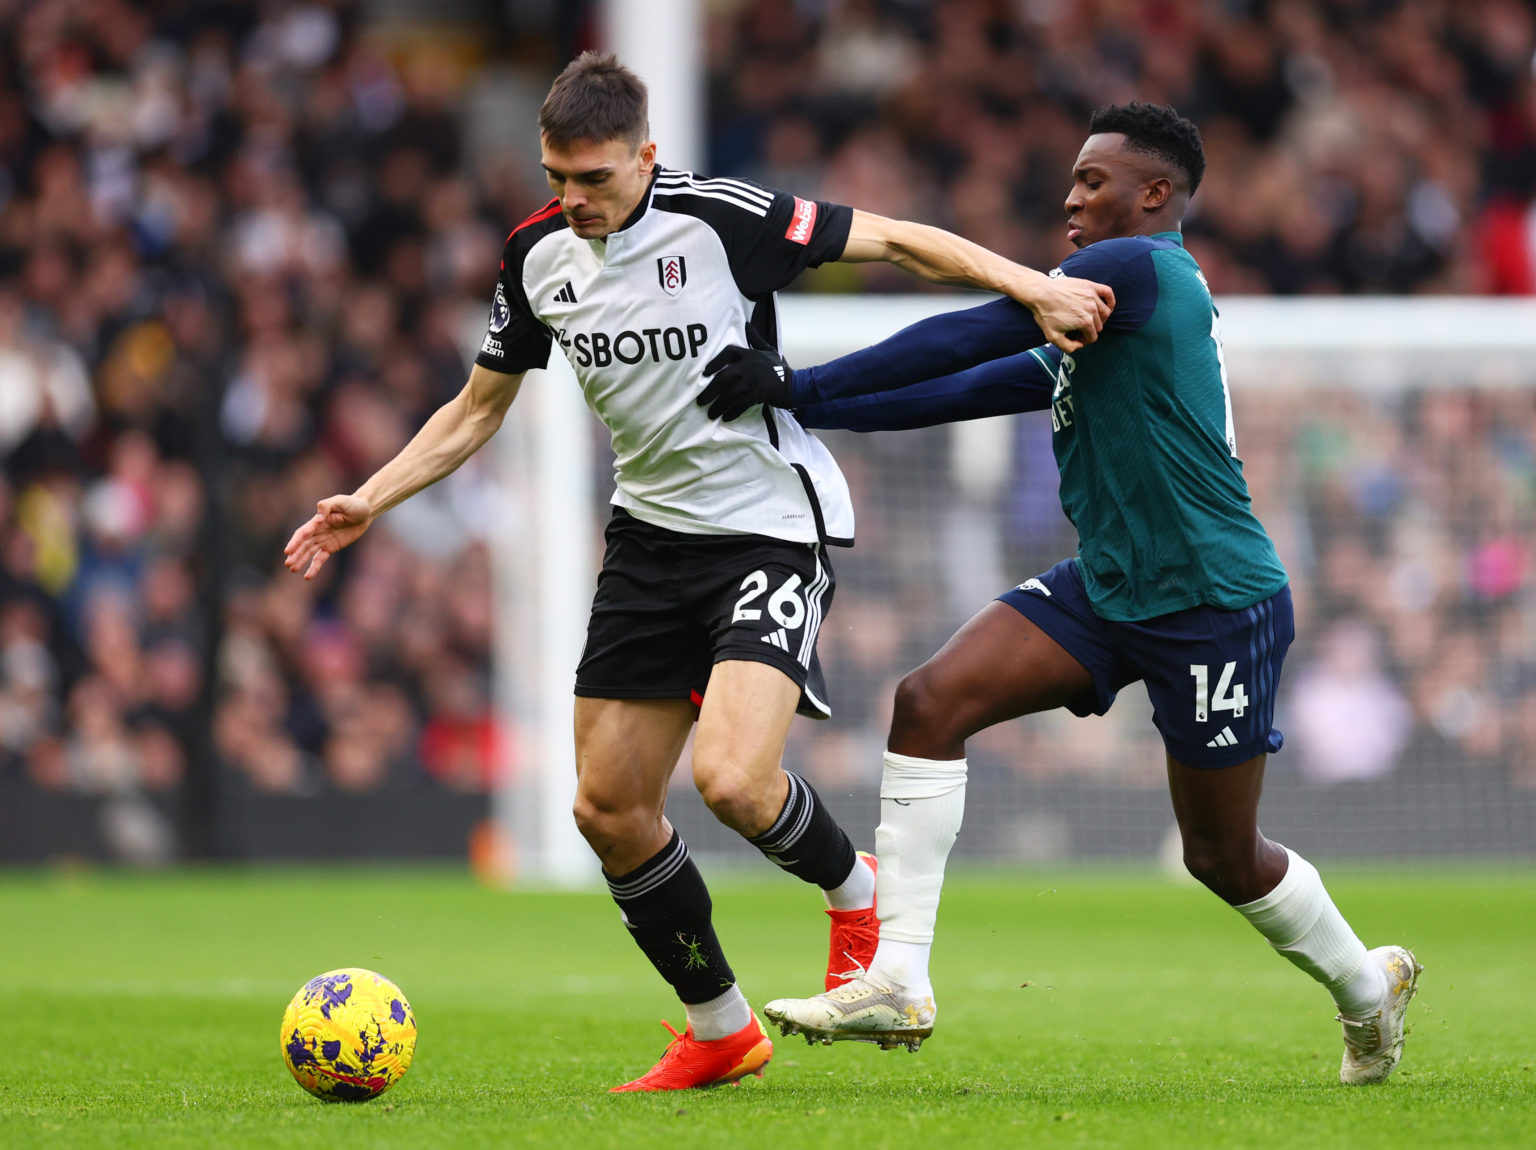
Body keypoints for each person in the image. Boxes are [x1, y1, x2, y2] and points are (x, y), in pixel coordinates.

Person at [282, 52, 1113, 1093]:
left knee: (730, 779)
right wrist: (373, 495)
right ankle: (719, 1028)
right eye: (557, 178)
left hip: (768, 523)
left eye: (595, 179)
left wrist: (1033, 284)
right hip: (648, 540)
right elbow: (476, 408)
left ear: (647, 157)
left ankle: (856, 892)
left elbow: (899, 240)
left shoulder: (724, 219)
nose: (574, 200)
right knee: (606, 808)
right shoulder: (535, 256)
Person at [697, 102, 1420, 1086]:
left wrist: (797, 374)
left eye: (1094, 180)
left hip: (1212, 600)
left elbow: (975, 330)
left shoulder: (1140, 266)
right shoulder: (1094, 314)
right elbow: (963, 386)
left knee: (1222, 856)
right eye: (1074, 180)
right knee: (929, 701)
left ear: (1154, 196)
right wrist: (799, 397)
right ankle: (901, 974)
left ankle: (1367, 990)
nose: (1072, 197)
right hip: (1111, 583)